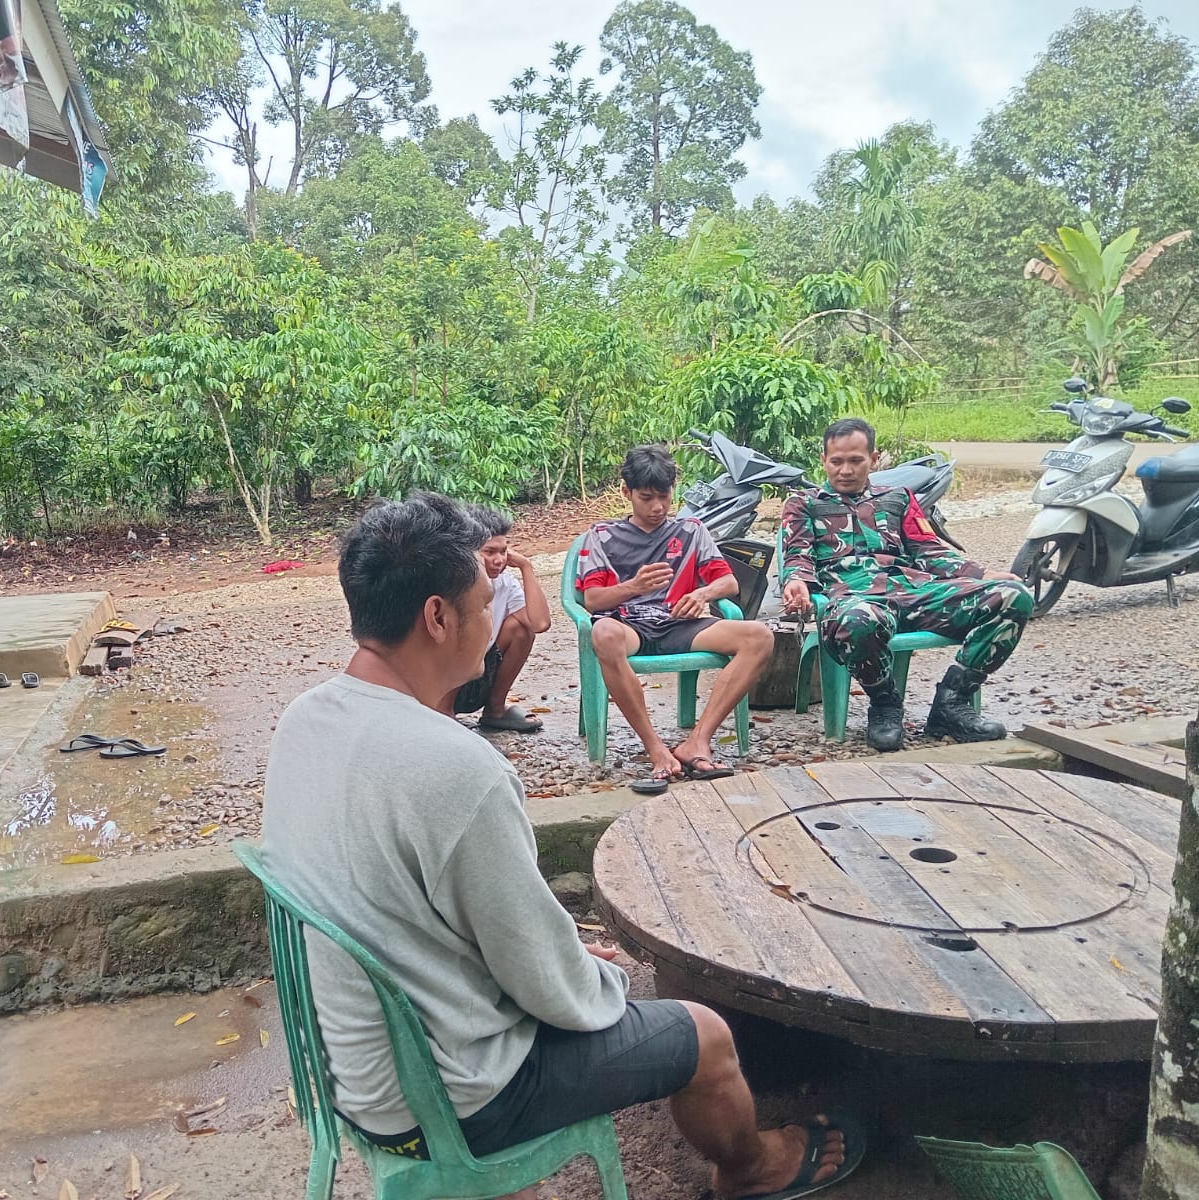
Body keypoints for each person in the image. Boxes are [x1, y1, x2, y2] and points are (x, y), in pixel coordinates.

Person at [263, 492, 859, 1199]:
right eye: (485, 603)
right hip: (445, 1101)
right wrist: (592, 975)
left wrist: (554, 952)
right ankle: (751, 1169)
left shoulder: (305, 719)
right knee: (704, 1035)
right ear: (438, 617)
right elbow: (553, 989)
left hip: (342, 1070)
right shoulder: (457, 767)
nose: (494, 619)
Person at [778, 417, 1034, 752]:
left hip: (913, 591)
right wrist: (796, 581)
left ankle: (953, 702)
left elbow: (928, 550)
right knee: (858, 621)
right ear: (824, 460)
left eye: (856, 460)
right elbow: (797, 555)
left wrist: (980, 574)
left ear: (873, 459)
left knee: (1013, 596)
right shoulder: (803, 504)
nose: (845, 470)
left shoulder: (898, 498)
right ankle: (884, 703)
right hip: (853, 597)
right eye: (836, 461)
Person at [575, 445, 774, 782]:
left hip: (681, 623)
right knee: (603, 633)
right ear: (626, 492)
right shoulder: (602, 536)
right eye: (646, 497)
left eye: (664, 496)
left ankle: (698, 740)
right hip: (629, 627)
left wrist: (702, 593)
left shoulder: (691, 530)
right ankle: (656, 749)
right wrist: (633, 587)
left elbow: (728, 582)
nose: (657, 507)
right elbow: (592, 600)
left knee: (760, 638)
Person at [442, 504, 552, 733]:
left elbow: (539, 623)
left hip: (479, 672)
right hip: (441, 680)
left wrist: (526, 567)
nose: (499, 560)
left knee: (521, 630)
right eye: (489, 552)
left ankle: (495, 708)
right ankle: (444, 713)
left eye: (503, 551)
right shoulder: (451, 583)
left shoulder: (505, 583)